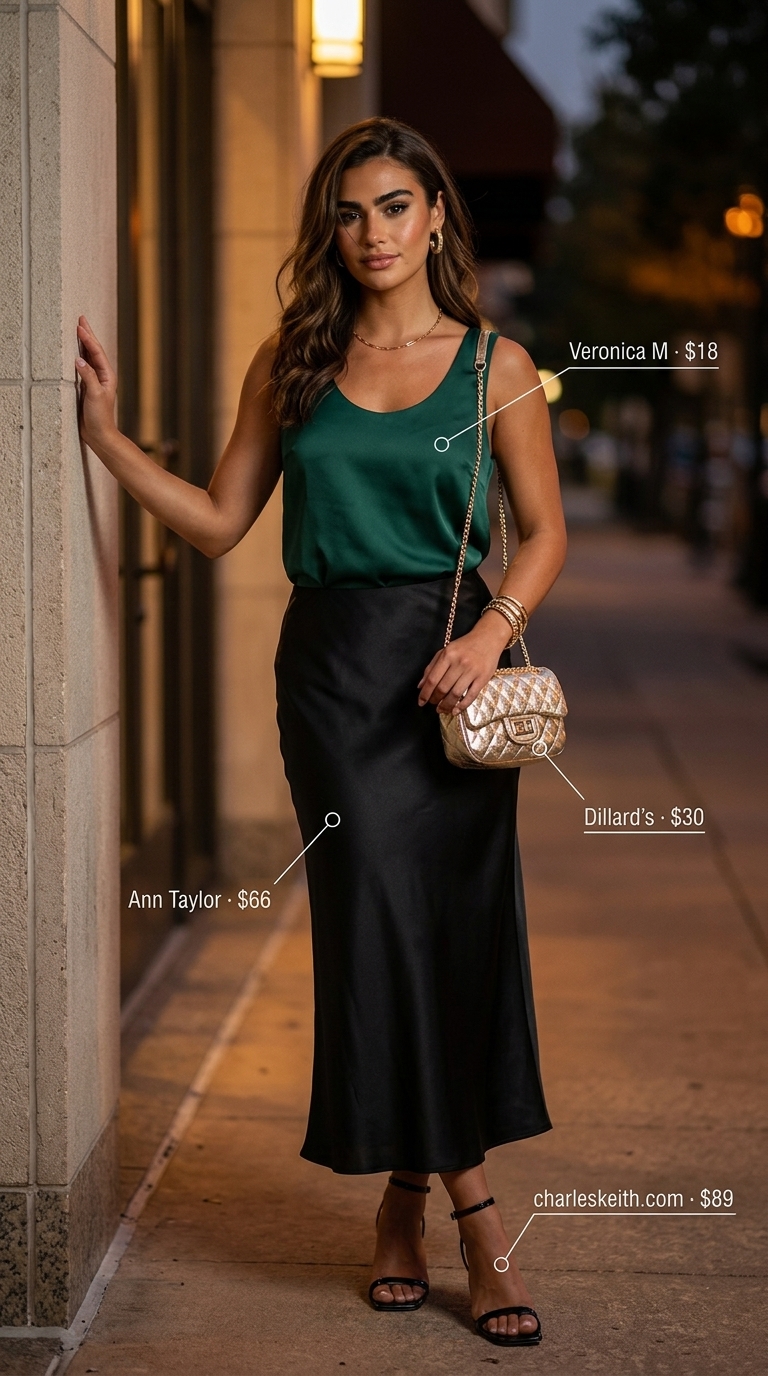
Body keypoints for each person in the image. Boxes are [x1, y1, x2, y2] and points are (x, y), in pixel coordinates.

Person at [76, 117, 566, 1348]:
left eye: (395, 206)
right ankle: (484, 1229)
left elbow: (548, 531)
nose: (373, 233)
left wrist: (490, 630)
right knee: (378, 928)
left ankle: (404, 1206)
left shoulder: (495, 364)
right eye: (350, 213)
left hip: (455, 677)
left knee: (449, 937)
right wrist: (105, 438)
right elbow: (216, 519)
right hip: (337, 684)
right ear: (329, 230)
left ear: (437, 215)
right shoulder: (294, 359)